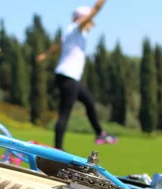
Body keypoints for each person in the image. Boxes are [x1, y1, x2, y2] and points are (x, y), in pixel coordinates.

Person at [36, 0, 118, 150]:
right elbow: (96, 9)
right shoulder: (76, 28)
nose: (91, 23)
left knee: (89, 103)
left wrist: (45, 55)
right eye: (89, 20)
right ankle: (58, 149)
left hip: (68, 77)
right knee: (65, 113)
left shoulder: (70, 31)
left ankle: (100, 132)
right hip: (68, 77)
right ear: (81, 18)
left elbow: (57, 47)